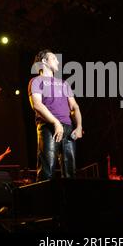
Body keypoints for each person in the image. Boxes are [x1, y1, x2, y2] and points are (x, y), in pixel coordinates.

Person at [28, 49, 83, 181]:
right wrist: (55, 122)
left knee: (71, 172)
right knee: (47, 171)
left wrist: (79, 126)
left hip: (68, 128)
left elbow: (74, 106)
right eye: (54, 58)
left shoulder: (64, 83)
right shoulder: (36, 81)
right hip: (48, 126)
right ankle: (44, 201)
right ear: (44, 61)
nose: (58, 61)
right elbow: (37, 105)